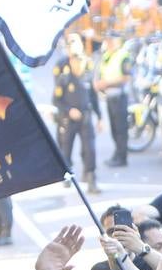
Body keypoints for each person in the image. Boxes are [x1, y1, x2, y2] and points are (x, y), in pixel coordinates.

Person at [53, 33, 101, 193]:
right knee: (65, 148)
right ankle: (66, 174)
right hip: (68, 118)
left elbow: (93, 96)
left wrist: (100, 116)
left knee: (90, 149)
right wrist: (68, 111)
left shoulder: (88, 70)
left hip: (85, 117)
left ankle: (91, 176)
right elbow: (57, 99)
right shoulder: (63, 74)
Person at [96, 32, 134, 168]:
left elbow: (126, 78)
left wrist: (106, 83)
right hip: (110, 96)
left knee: (120, 129)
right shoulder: (107, 55)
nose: (110, 43)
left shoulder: (123, 56)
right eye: (108, 40)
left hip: (119, 96)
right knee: (114, 128)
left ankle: (121, 157)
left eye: (112, 40)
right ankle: (117, 154)